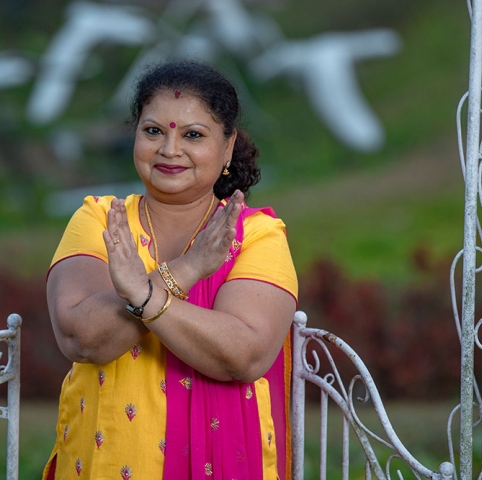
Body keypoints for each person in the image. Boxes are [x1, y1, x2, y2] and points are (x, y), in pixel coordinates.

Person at [43, 60, 298, 479]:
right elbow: (81, 337)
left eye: (193, 135)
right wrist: (186, 269)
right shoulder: (100, 221)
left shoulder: (257, 236)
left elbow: (243, 355)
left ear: (228, 146)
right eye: (154, 131)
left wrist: (140, 295)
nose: (169, 150)